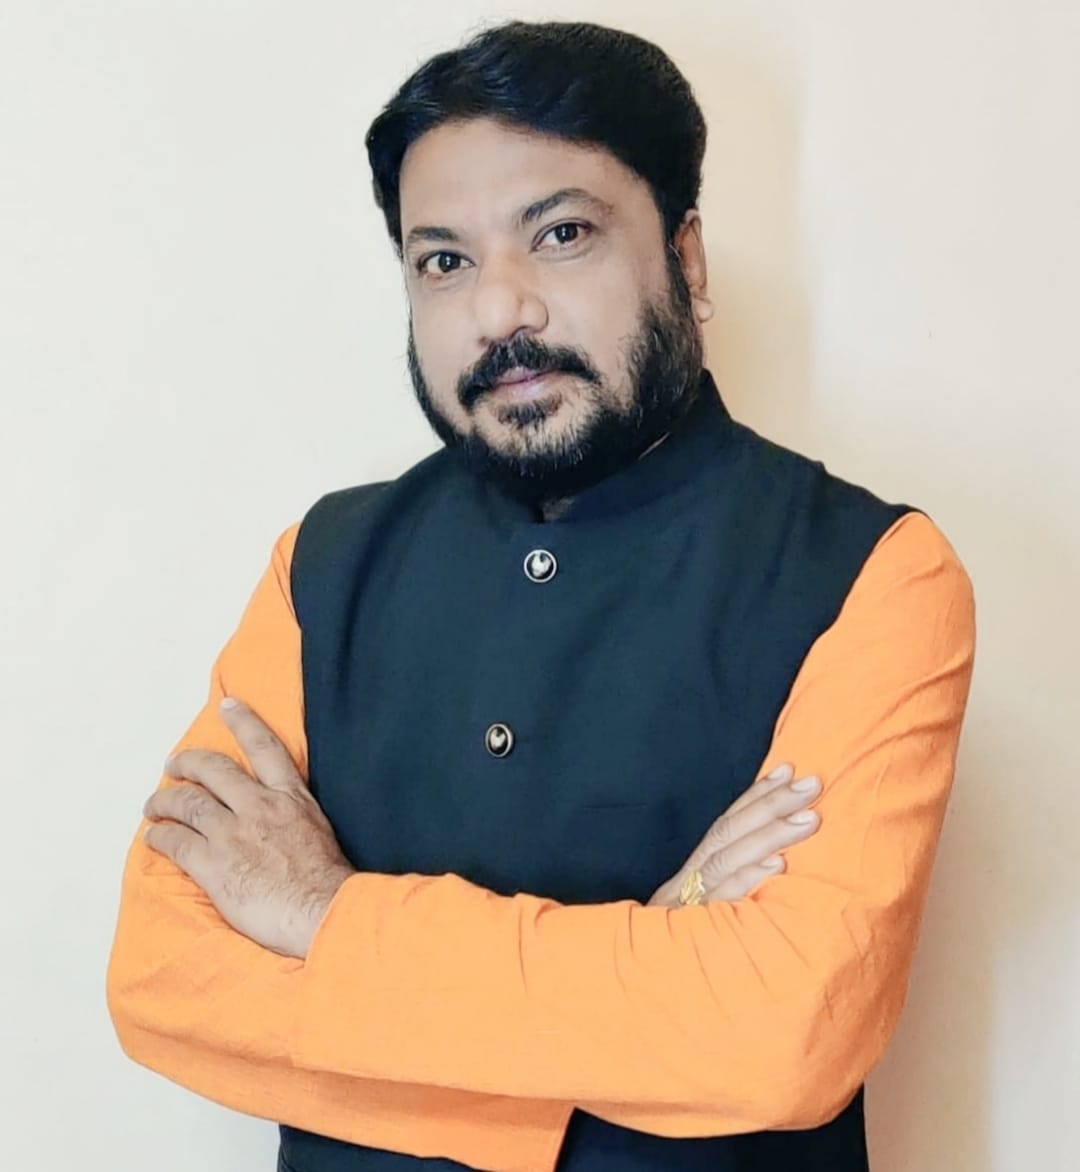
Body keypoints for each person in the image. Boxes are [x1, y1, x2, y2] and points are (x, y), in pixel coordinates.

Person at [106, 19, 976, 1172]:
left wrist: (321, 914)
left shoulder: (871, 570)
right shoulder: (321, 564)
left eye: (561, 234)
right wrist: (652, 968)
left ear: (687, 258)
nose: (498, 310)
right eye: (443, 261)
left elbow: (788, 1034)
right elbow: (164, 980)